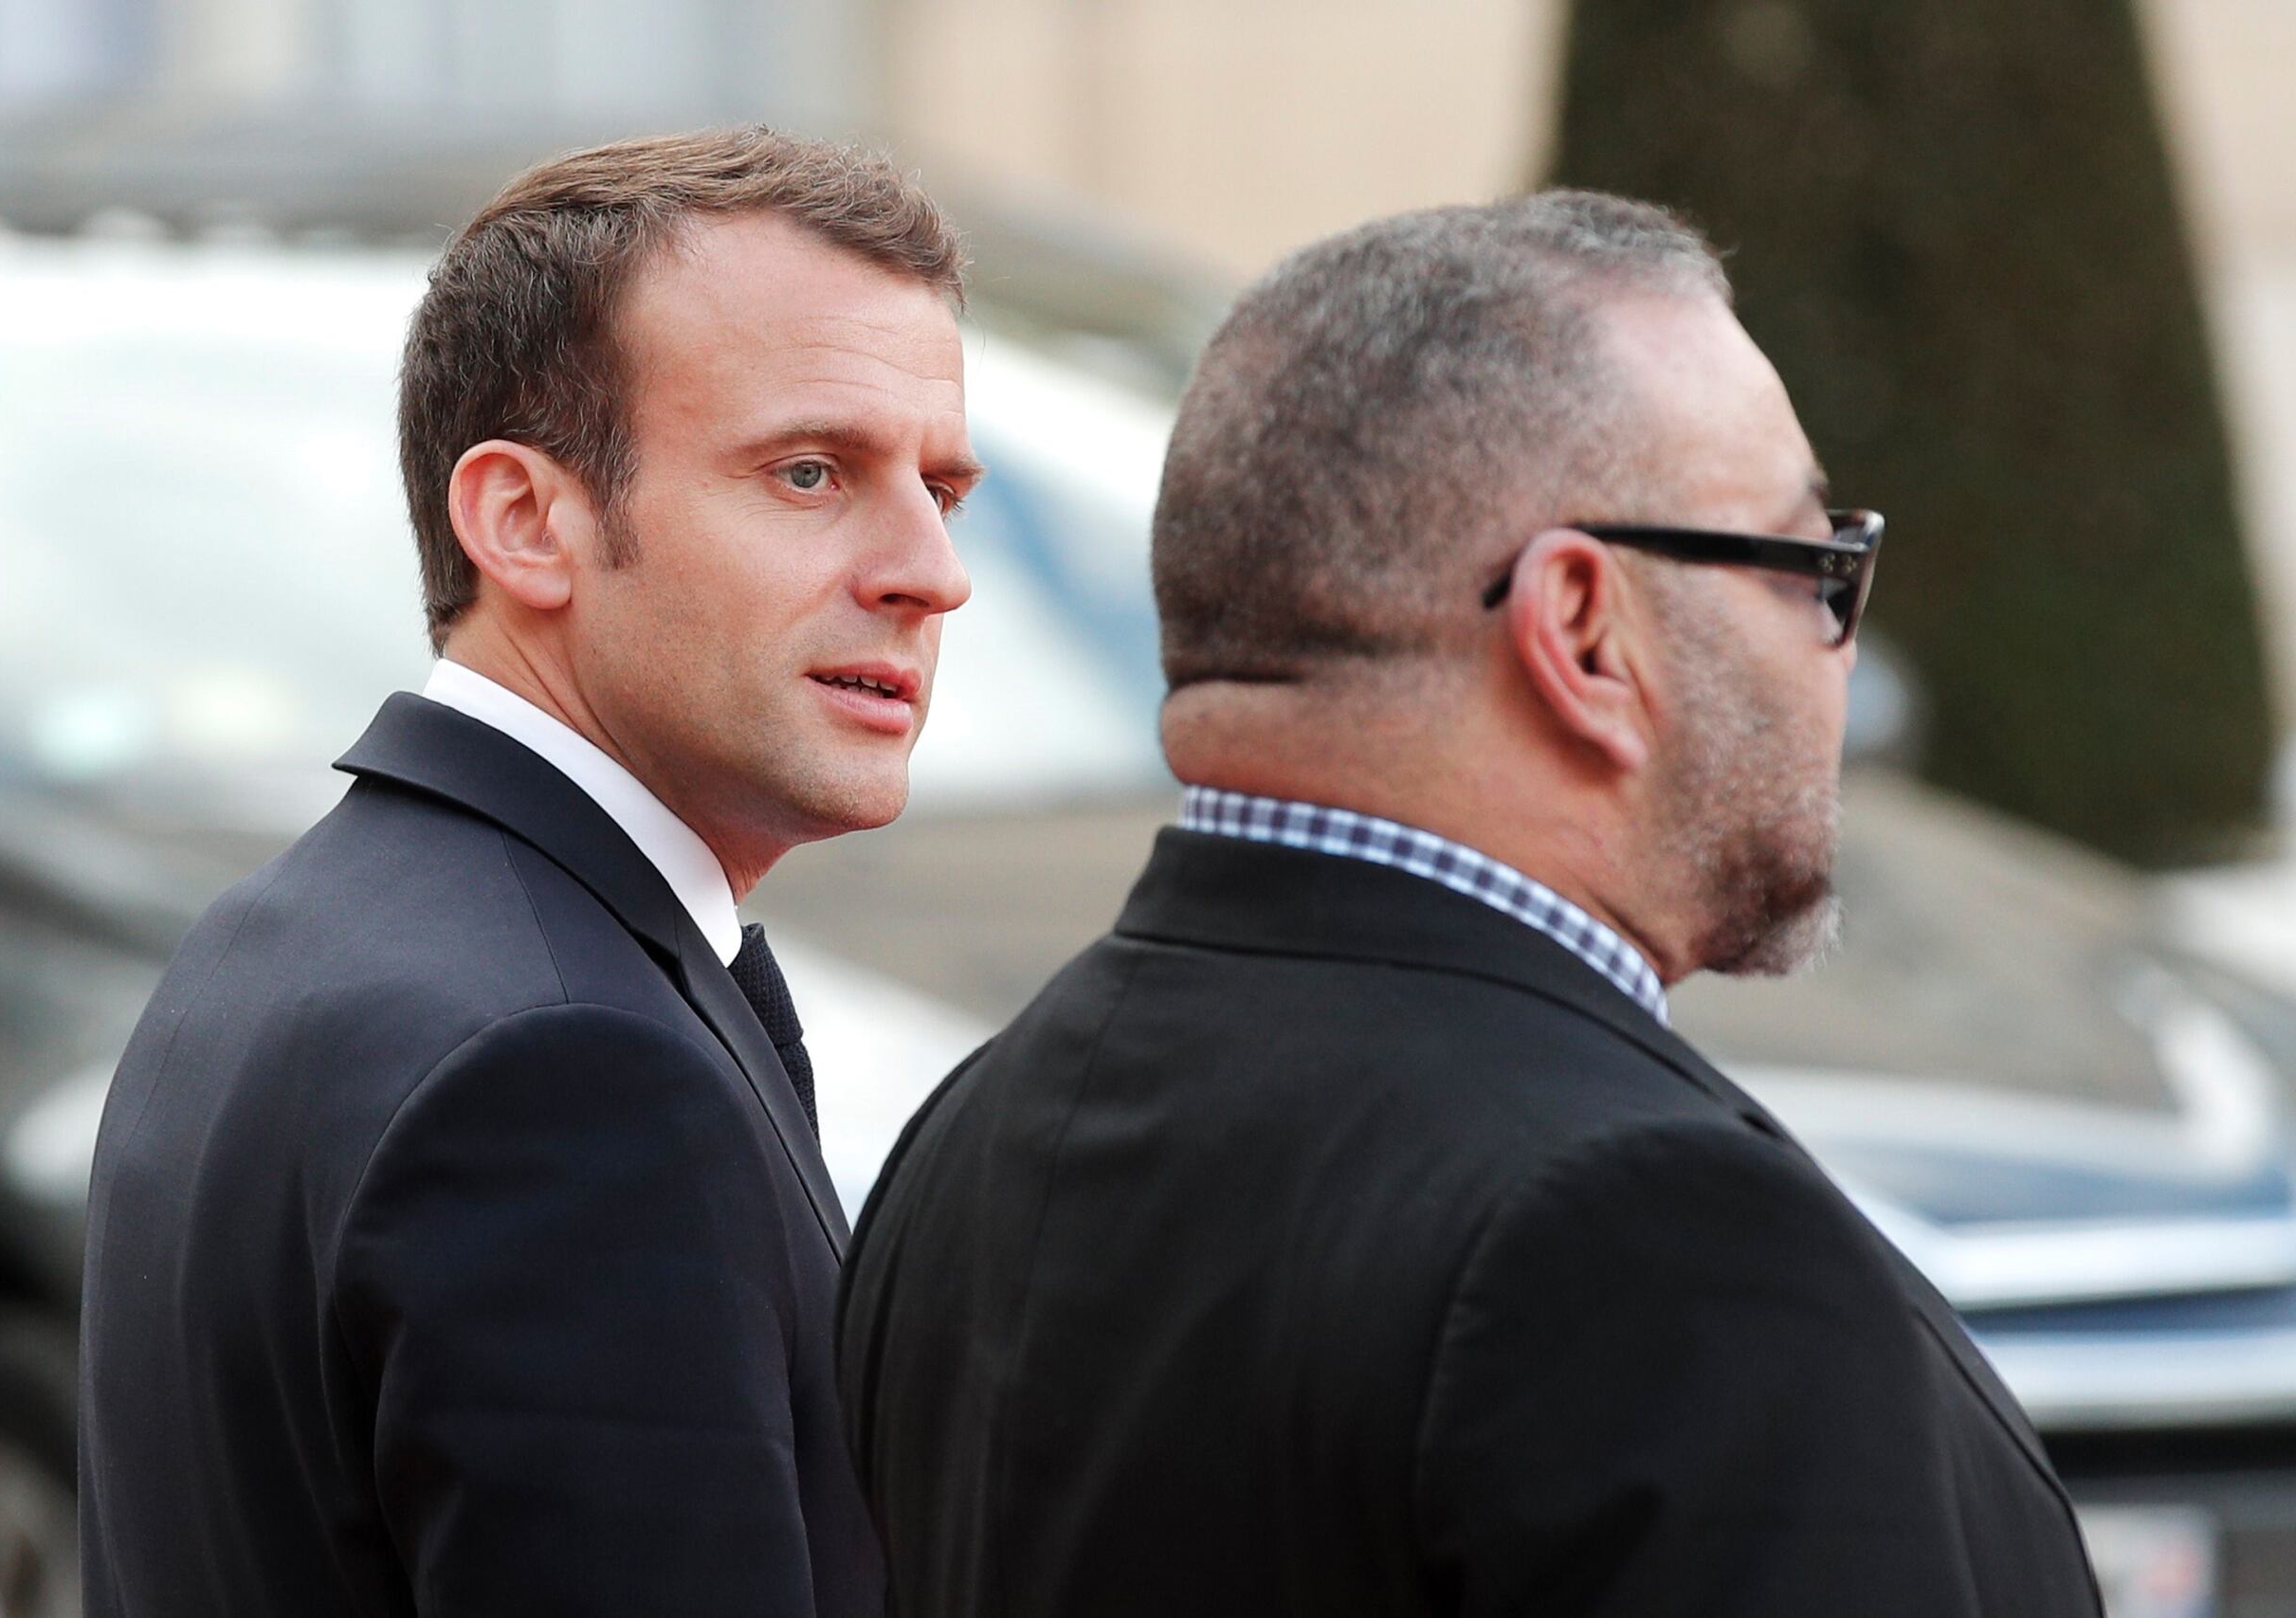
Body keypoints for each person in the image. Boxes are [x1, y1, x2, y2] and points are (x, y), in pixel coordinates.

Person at [837, 192, 2102, 1616]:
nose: (1841, 658)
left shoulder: (976, 1135)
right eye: (1814, 570)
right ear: (1581, 629)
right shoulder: (1651, 1237)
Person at [80, 127, 977, 1618]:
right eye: (812, 471)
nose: (927, 571)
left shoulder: (291, 934)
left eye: (943, 490)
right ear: (523, 521)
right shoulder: (565, 1074)